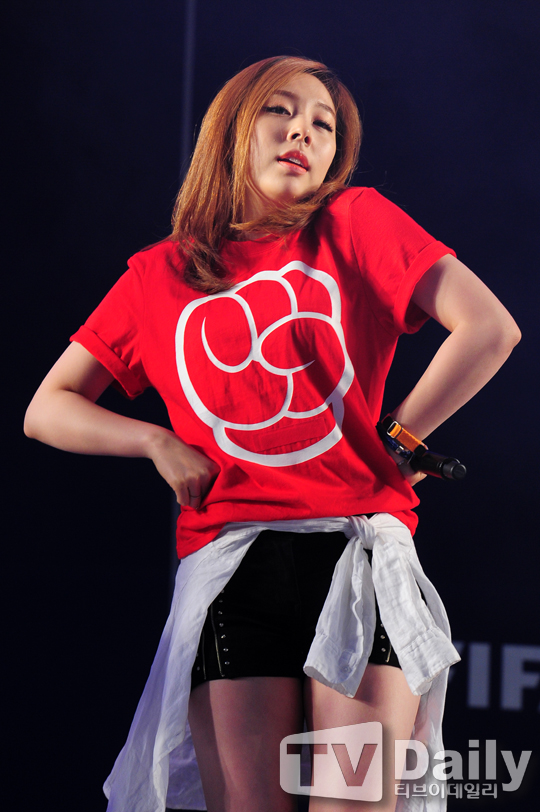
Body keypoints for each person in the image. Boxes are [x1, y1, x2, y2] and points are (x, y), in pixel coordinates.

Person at [24, 55, 520, 812]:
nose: (303, 133)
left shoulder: (353, 222)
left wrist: (401, 437)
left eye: (324, 125)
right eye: (279, 111)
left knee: (353, 803)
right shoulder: (160, 273)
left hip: (355, 563)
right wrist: (155, 442)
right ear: (231, 131)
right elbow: (47, 408)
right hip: (233, 570)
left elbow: (489, 328)